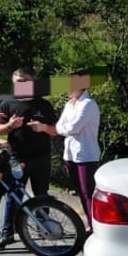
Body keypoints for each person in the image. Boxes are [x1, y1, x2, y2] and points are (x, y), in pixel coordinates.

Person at [0, 70, 57, 247]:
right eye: (17, 82)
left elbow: (55, 131)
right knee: (14, 195)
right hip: (17, 157)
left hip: (42, 156)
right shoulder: (7, 104)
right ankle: (7, 233)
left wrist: (43, 127)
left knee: (41, 194)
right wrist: (10, 125)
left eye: (24, 81)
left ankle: (44, 228)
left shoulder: (44, 104)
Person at [30, 82, 100, 231]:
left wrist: (63, 128)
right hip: (70, 154)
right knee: (80, 191)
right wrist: (64, 128)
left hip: (86, 155)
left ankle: (95, 226)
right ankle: (90, 223)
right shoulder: (69, 104)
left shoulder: (88, 104)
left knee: (88, 192)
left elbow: (73, 128)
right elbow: (59, 126)